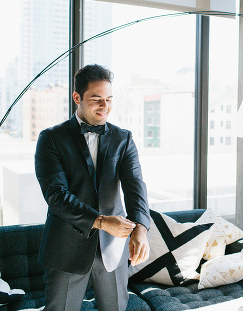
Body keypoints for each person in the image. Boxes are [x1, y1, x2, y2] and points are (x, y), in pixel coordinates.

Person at [34, 64, 150, 311]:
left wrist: (141, 228)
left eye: (108, 99)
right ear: (77, 97)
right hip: (66, 246)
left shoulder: (123, 138)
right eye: (96, 99)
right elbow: (56, 195)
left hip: (114, 248)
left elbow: (135, 187)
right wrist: (100, 221)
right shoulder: (51, 138)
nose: (104, 106)